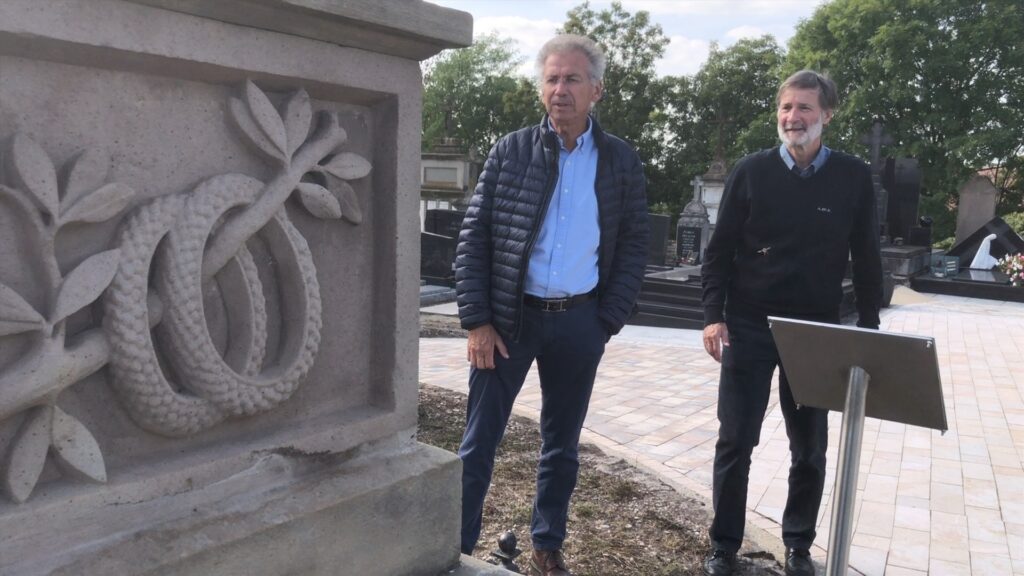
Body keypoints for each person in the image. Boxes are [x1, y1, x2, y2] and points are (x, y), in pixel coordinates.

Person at [454, 34, 649, 576]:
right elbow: (476, 237)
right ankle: (456, 548)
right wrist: (477, 321)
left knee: (561, 447)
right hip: (509, 322)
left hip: (580, 322)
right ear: (541, 88)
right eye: (552, 79)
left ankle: (546, 547)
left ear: (597, 90)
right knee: (477, 444)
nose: (561, 89)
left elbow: (635, 242)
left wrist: (606, 320)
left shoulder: (620, 161)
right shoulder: (510, 151)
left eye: (573, 79)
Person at [700, 70, 882, 576]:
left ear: (827, 114)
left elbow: (867, 254)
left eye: (804, 108)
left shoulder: (851, 176)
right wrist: (713, 317)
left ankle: (798, 544)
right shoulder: (751, 171)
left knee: (810, 448)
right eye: (785, 108)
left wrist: (868, 325)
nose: (792, 118)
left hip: (815, 332)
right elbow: (718, 254)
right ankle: (724, 546)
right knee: (736, 440)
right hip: (750, 325)